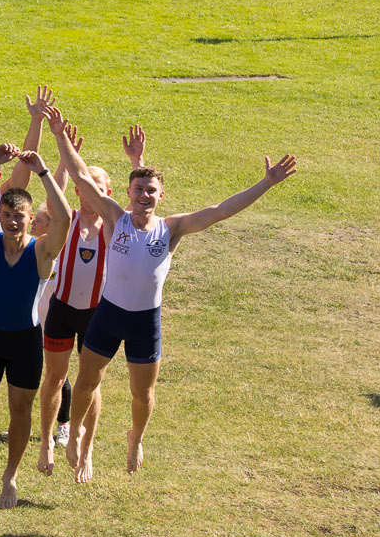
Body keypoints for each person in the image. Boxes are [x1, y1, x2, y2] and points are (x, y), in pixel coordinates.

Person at [50, 116, 297, 480]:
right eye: (139, 189)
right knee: (86, 382)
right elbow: (81, 177)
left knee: (142, 394)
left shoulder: (172, 228)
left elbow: (221, 211)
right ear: (128, 193)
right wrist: (59, 137)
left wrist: (266, 182)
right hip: (108, 315)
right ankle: (79, 433)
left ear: (160, 196)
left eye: (151, 191)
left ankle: (135, 438)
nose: (144, 196)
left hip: (144, 323)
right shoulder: (113, 216)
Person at [0, 140, 71, 509]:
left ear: (29, 217)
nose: (13, 220)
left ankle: (11, 477)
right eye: (6, 214)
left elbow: (65, 219)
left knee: (20, 410)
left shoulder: (42, 250)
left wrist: (43, 172)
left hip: (24, 341)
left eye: (20, 215)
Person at [38, 110, 111, 473]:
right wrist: (62, 153)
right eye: (84, 187)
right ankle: (47, 442)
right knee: (55, 377)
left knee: (90, 380)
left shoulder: (115, 226)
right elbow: (57, 195)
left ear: (107, 193)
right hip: (61, 310)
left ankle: (86, 446)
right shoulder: (63, 220)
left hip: (98, 315)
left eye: (97, 187)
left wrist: (138, 161)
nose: (88, 193)